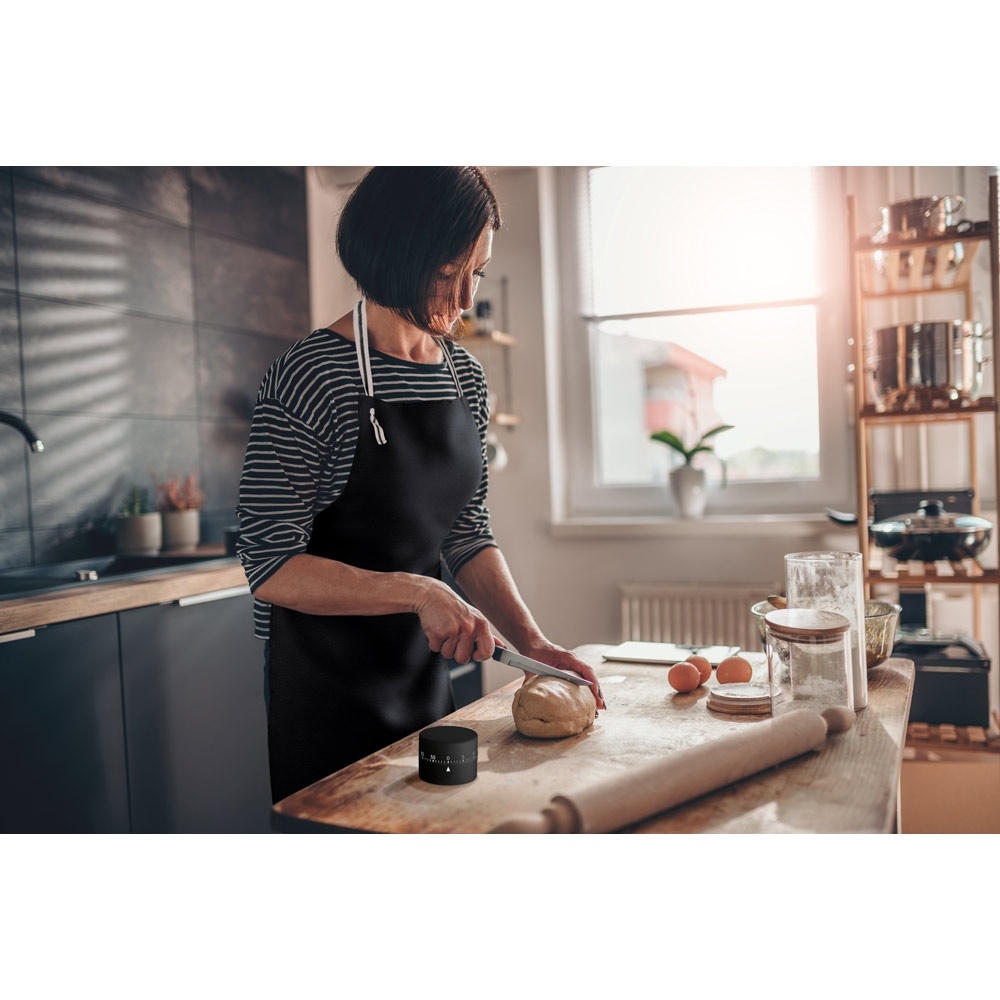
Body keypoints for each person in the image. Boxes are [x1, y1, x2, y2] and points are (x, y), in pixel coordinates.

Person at [237, 166, 605, 804]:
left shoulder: (463, 376)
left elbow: (467, 533)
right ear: (394, 255)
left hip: (427, 681)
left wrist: (533, 642)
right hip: (324, 691)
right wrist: (417, 590)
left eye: (478, 273)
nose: (465, 300)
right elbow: (269, 562)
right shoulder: (310, 375)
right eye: (446, 274)